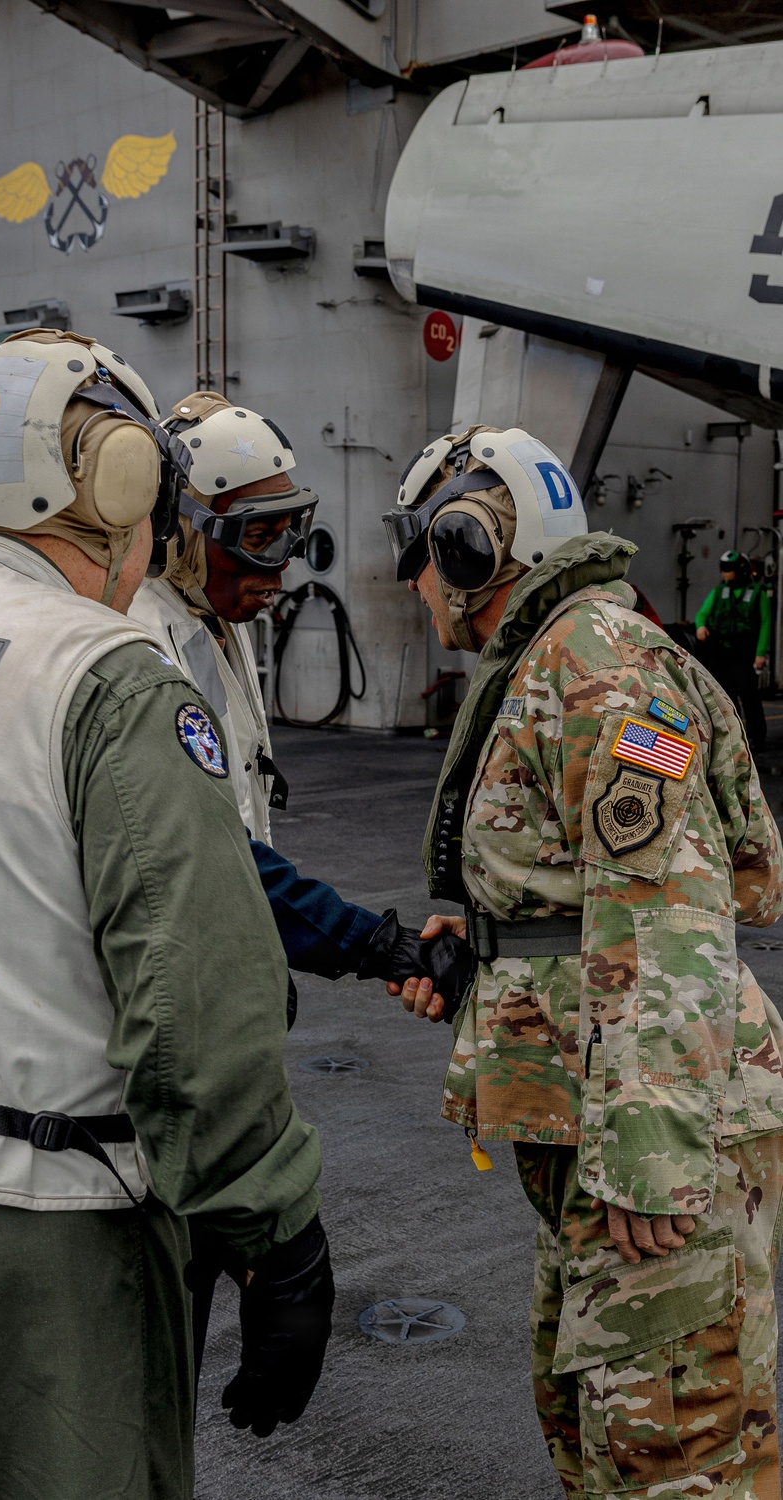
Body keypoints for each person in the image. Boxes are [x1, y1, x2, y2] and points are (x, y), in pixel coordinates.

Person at [0, 329, 335, 1500]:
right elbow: (193, 1007)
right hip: (23, 1253)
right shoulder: (105, 678)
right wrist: (275, 1236)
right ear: (120, 479)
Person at [382, 424, 783, 1499]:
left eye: (421, 549)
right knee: (598, 1435)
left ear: (472, 543)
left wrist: (651, 1151)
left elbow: (670, 912)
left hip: (649, 1122)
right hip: (588, 1111)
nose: (413, 580)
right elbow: (580, 889)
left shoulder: (598, 667)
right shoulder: (551, 659)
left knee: (679, 1458)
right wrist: (489, 950)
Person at [132, 390, 472, 1381]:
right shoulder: (145, 645)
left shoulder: (209, 620)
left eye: (290, 534)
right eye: (254, 538)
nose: (276, 569)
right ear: (181, 532)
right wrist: (378, 945)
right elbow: (220, 862)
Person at [695, 549, 770, 750]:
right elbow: (702, 614)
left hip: (745, 653)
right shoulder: (720, 591)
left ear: (741, 570)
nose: (724, 574)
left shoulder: (757, 593)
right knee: (726, 697)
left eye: (728, 570)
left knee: (749, 696)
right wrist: (700, 626)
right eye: (723, 569)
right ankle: (732, 736)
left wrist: (760, 653)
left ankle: (757, 738)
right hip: (722, 654)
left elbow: (765, 624)